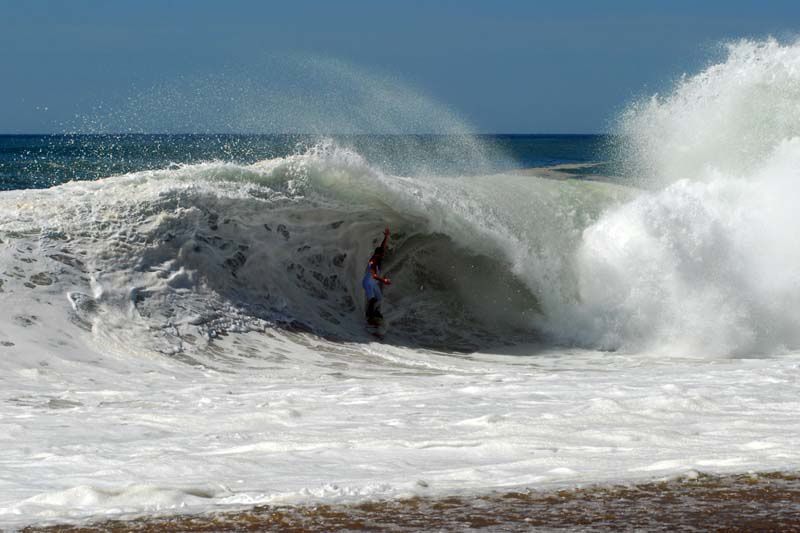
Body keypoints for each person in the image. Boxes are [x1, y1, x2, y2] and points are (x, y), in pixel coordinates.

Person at [362, 227, 392, 324]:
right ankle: (370, 315)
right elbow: (374, 275)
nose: (383, 255)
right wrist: (384, 281)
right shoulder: (373, 261)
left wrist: (386, 237)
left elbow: (382, 248)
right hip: (368, 283)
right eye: (382, 254)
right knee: (373, 299)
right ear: (378, 255)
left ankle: (376, 312)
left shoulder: (378, 256)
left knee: (379, 299)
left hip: (373, 282)